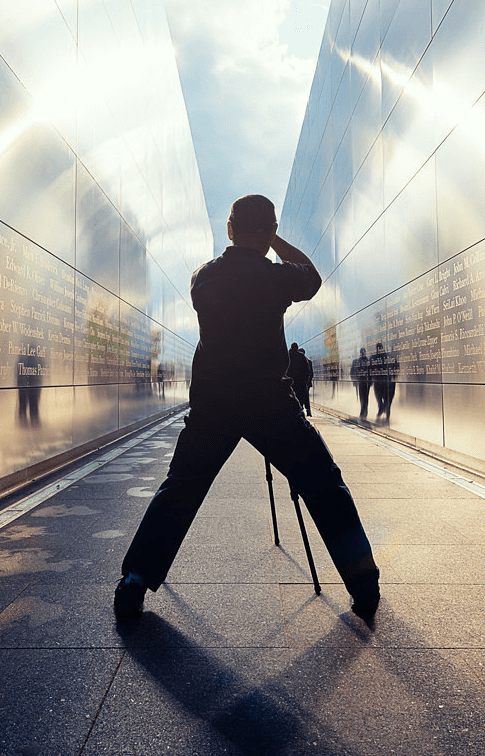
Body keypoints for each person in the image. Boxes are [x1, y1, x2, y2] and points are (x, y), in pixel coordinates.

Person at [114, 195, 380, 622]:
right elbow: (311, 278)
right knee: (323, 484)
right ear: (269, 231)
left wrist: (258, 240)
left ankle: (134, 581)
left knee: (180, 489)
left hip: (213, 403)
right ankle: (363, 583)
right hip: (269, 403)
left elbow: (230, 276)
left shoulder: (203, 279)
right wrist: (276, 242)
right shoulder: (275, 278)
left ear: (230, 228)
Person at [286, 342, 314, 416]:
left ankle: (291, 413)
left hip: (290, 382)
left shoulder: (287, 356)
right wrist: (305, 380)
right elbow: (307, 370)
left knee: (291, 397)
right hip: (300, 382)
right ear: (297, 348)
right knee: (301, 397)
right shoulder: (301, 356)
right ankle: (300, 412)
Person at [351, 347, 371, 419]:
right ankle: (363, 412)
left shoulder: (367, 361)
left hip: (365, 382)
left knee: (364, 398)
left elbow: (370, 372)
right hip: (361, 382)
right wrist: (354, 381)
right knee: (363, 398)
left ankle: (364, 412)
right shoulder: (358, 361)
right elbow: (353, 372)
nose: (363, 354)